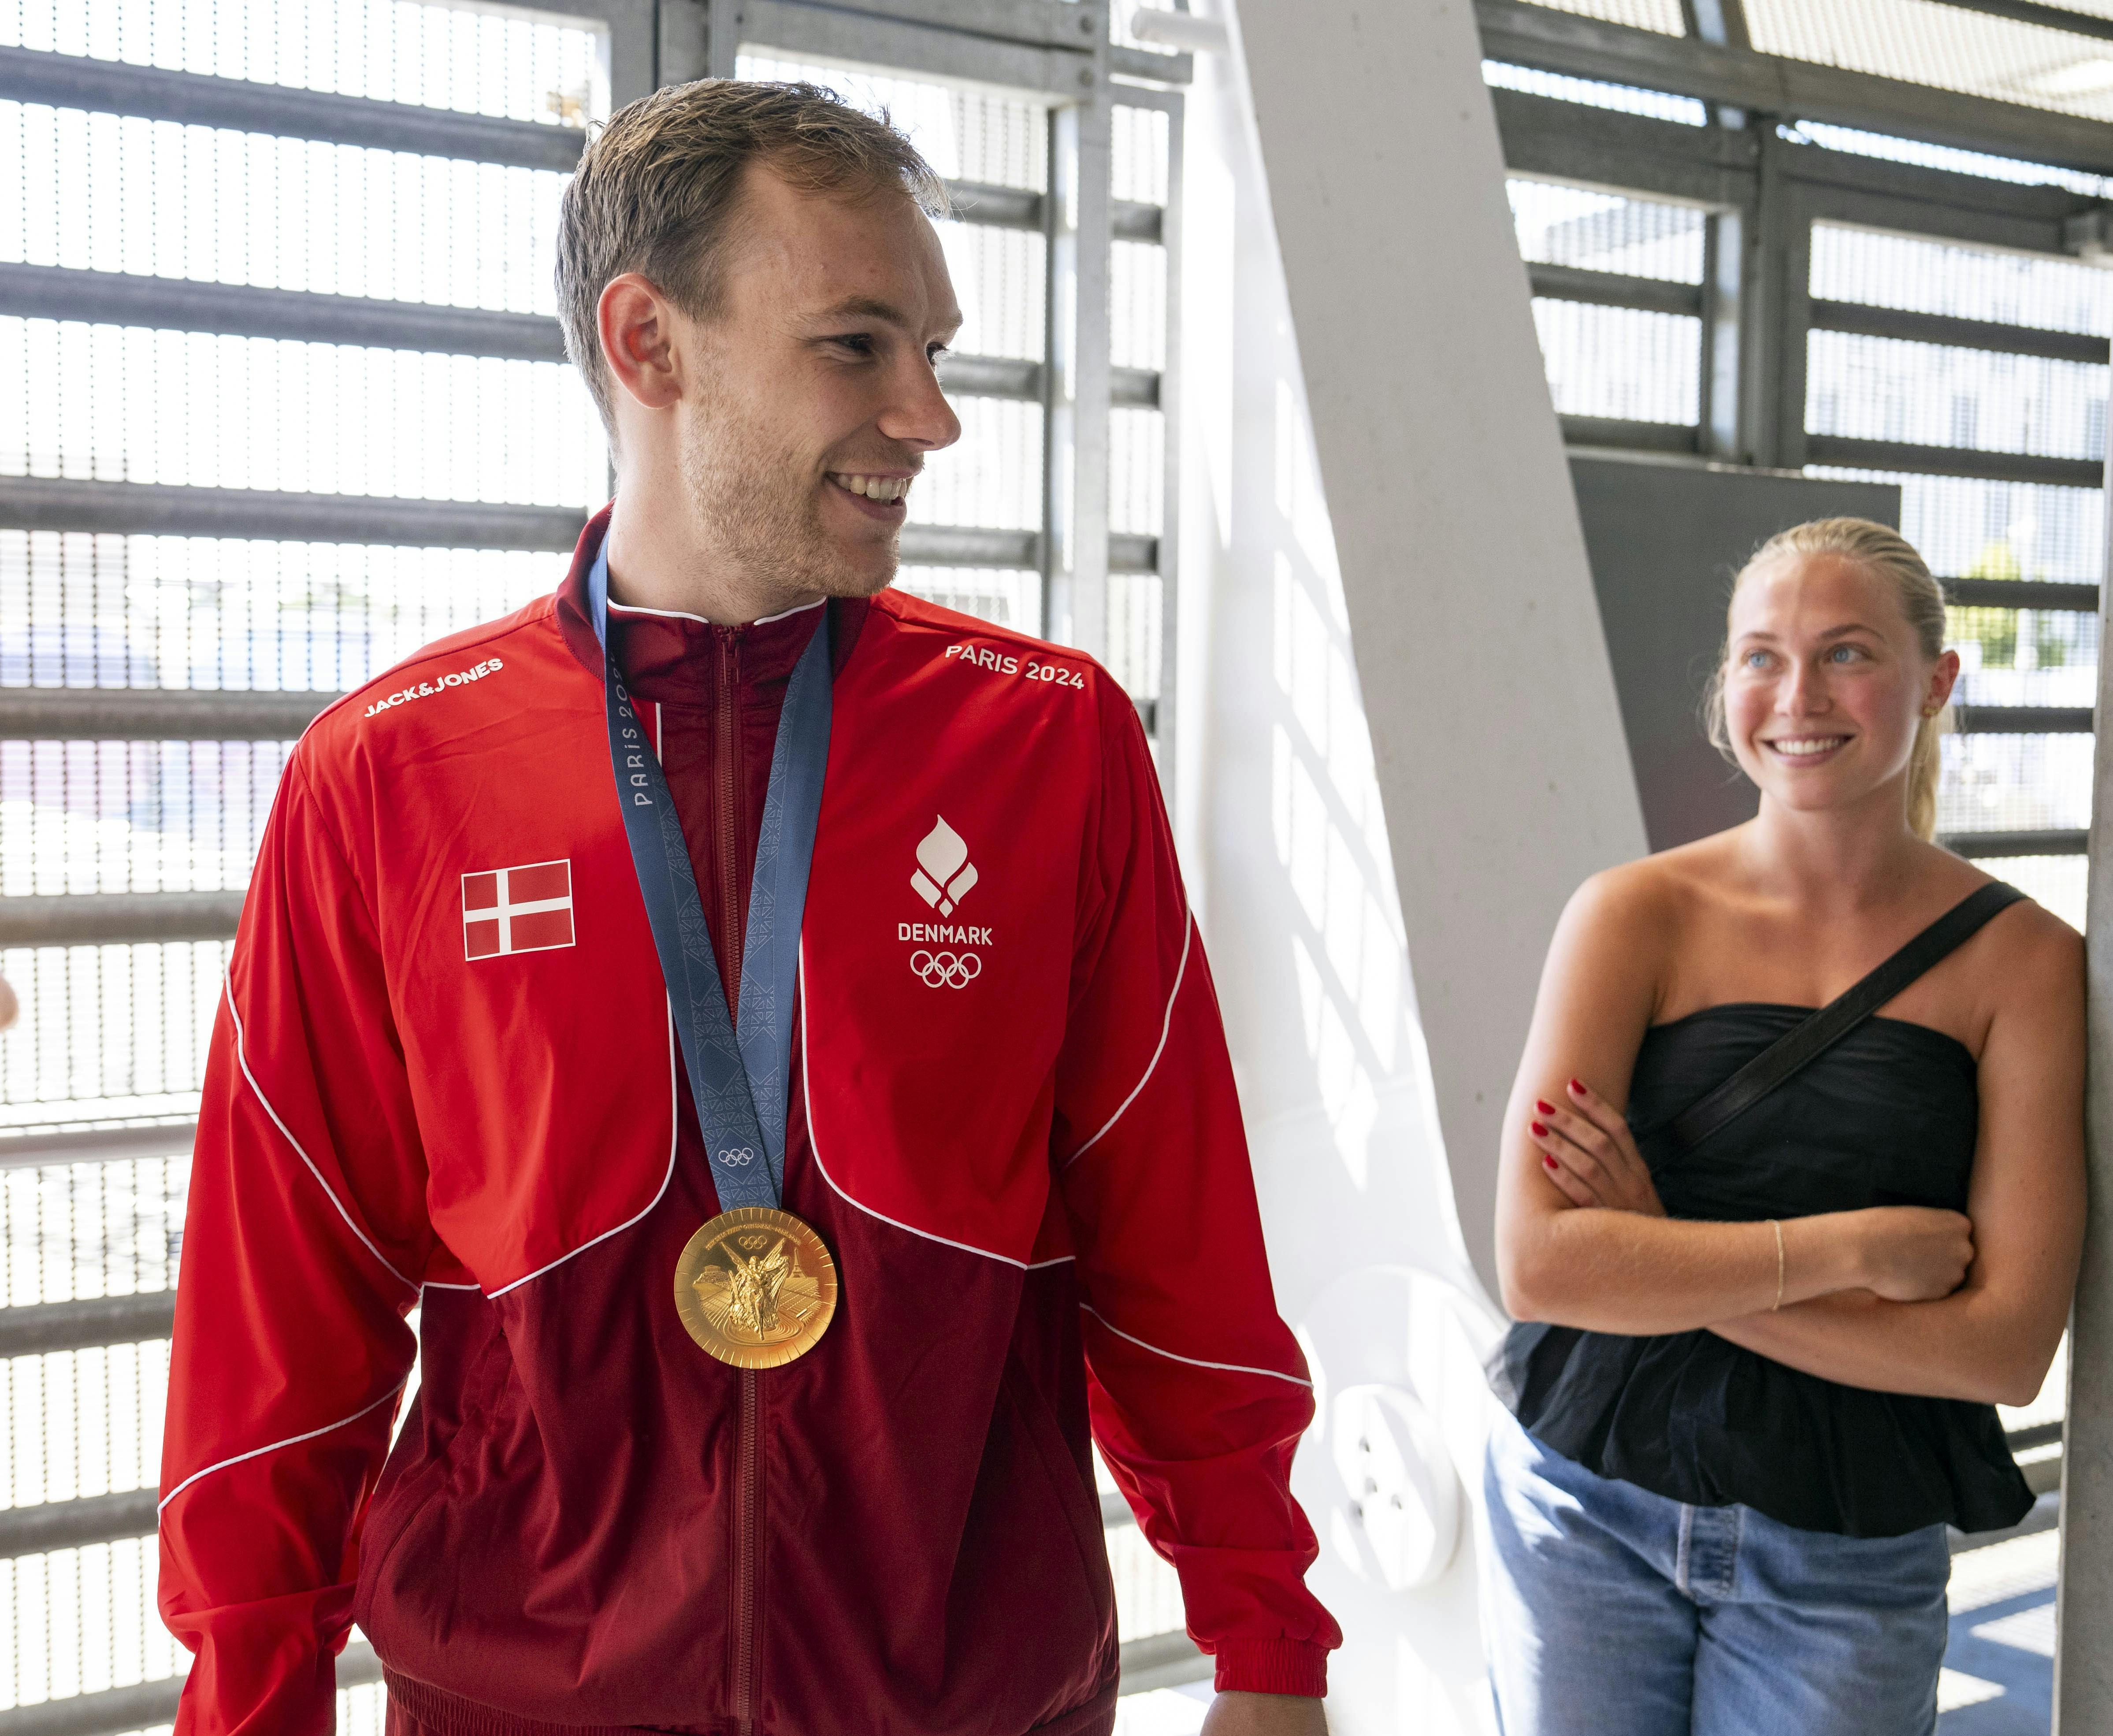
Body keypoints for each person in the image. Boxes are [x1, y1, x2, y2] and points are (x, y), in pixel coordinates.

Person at [156, 79, 1337, 1736]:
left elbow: (1176, 1225)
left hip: (966, 1697)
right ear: (649, 343)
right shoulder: (393, 772)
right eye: (858, 344)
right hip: (524, 1701)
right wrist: (249, 1698)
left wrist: (1268, 1642)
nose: (928, 415)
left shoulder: (1043, 738)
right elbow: (279, 1305)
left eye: (934, 347)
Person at [1481, 518, 2084, 1736]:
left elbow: (1998, 1350)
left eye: (1845, 653)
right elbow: (1542, 1265)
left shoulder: (2023, 965)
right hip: (1580, 1502)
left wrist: (1656, 1248)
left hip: (1845, 1548)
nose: (1796, 696)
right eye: (1760, 656)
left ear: (1936, 681)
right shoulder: (1628, 914)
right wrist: (1852, 1249)